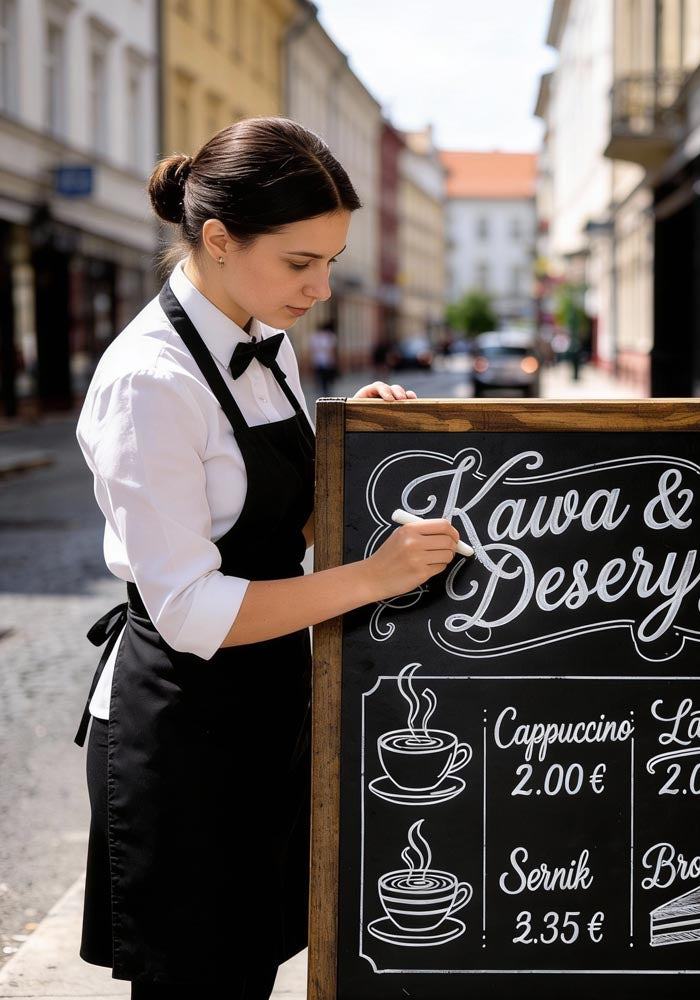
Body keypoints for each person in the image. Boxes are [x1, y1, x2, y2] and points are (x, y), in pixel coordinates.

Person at [74, 117, 459, 1000]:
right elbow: (192, 609)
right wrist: (375, 576)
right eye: (301, 262)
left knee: (251, 966)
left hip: (267, 705)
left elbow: (282, 528)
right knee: (199, 980)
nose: (322, 287)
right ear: (217, 238)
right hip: (184, 728)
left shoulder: (264, 337)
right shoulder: (150, 382)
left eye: (332, 260)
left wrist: (353, 447)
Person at [309, 322, 338, 396]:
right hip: (327, 360)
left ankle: (322, 389)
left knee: (320, 376)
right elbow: (332, 350)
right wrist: (333, 360)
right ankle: (326, 390)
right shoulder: (330, 336)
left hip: (317, 360)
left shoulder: (314, 337)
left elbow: (312, 350)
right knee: (326, 376)